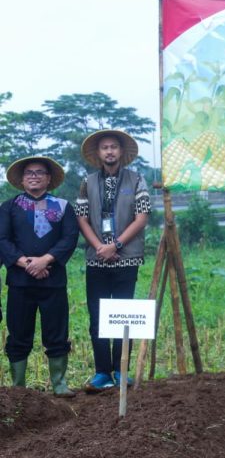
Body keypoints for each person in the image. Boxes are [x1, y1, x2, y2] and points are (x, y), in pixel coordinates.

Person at [76, 129, 151, 392]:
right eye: (105, 147)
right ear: (98, 153)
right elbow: (82, 218)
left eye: (114, 147)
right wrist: (100, 247)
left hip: (126, 258)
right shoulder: (88, 182)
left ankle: (121, 371)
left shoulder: (137, 179)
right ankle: (101, 372)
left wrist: (116, 244)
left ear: (121, 152)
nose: (109, 151)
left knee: (123, 316)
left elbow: (141, 218)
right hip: (97, 259)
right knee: (96, 316)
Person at [0, 156, 78, 396]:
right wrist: (25, 263)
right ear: (22, 179)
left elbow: (69, 238)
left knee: (57, 333)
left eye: (39, 172)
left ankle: (59, 384)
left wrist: (45, 260)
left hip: (53, 282)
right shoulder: (9, 207)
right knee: (19, 334)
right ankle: (18, 387)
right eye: (29, 173)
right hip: (19, 283)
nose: (34, 176)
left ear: (49, 178)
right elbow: (2, 239)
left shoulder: (63, 206)